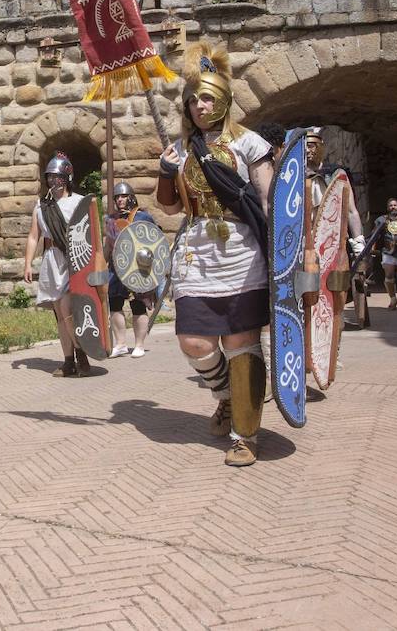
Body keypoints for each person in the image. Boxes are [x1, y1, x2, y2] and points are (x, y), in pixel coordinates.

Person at [156, 41, 274, 467]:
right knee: (193, 341)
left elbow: (270, 205)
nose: (199, 106)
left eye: (206, 98)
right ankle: (225, 395)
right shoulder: (184, 149)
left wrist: (291, 257)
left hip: (242, 252)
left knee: (242, 343)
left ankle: (246, 434)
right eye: (192, 100)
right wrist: (167, 174)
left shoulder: (250, 144)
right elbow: (170, 209)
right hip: (196, 250)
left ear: (223, 99)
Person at [24, 153, 90, 378]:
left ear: (67, 177)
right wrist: (27, 263)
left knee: (66, 310)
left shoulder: (79, 202)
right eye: (50, 177)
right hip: (51, 260)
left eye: (57, 177)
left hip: (73, 259)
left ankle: (82, 354)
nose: (53, 181)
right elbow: (34, 236)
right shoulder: (42, 206)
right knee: (60, 316)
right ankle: (68, 361)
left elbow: (89, 235)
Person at [103, 182, 159, 358]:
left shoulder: (142, 217)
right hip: (116, 267)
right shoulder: (110, 220)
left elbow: (155, 240)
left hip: (137, 267)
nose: (120, 200)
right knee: (114, 304)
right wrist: (101, 264)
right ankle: (120, 344)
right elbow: (108, 246)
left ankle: (139, 345)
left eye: (123, 196)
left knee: (138, 304)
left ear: (131, 197)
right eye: (117, 197)